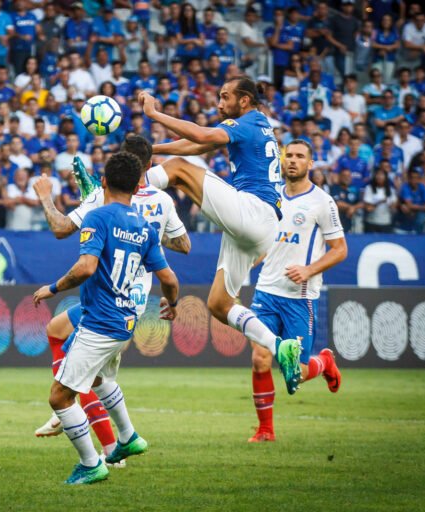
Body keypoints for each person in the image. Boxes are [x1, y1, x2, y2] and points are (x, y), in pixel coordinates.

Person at [137, 76, 303, 393]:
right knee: (219, 304)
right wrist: (151, 148)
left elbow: (199, 136)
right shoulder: (256, 125)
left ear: (244, 100)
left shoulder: (249, 121)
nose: (219, 103)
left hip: (254, 211)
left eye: (225, 97)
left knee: (179, 170)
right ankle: (280, 347)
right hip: (260, 227)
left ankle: (125, 193)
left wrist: (155, 115)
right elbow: (199, 144)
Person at [31, 135, 190, 459]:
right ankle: (125, 436)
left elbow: (62, 229)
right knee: (67, 339)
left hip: (106, 300)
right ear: (147, 167)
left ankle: (97, 449)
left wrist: (46, 198)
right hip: (133, 301)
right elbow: (184, 245)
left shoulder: (98, 203)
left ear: (106, 177)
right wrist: (149, 239)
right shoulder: (160, 203)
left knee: (73, 381)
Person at [248, 140, 347, 442]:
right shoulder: (270, 197)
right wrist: (253, 259)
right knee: (260, 359)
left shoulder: (322, 202)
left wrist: (308, 269)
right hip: (266, 291)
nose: (293, 160)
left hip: (298, 297)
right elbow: (268, 240)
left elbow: (340, 249)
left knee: (297, 373)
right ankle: (266, 430)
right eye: (288, 155)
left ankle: (324, 362)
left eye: (299, 156)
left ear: (310, 163)